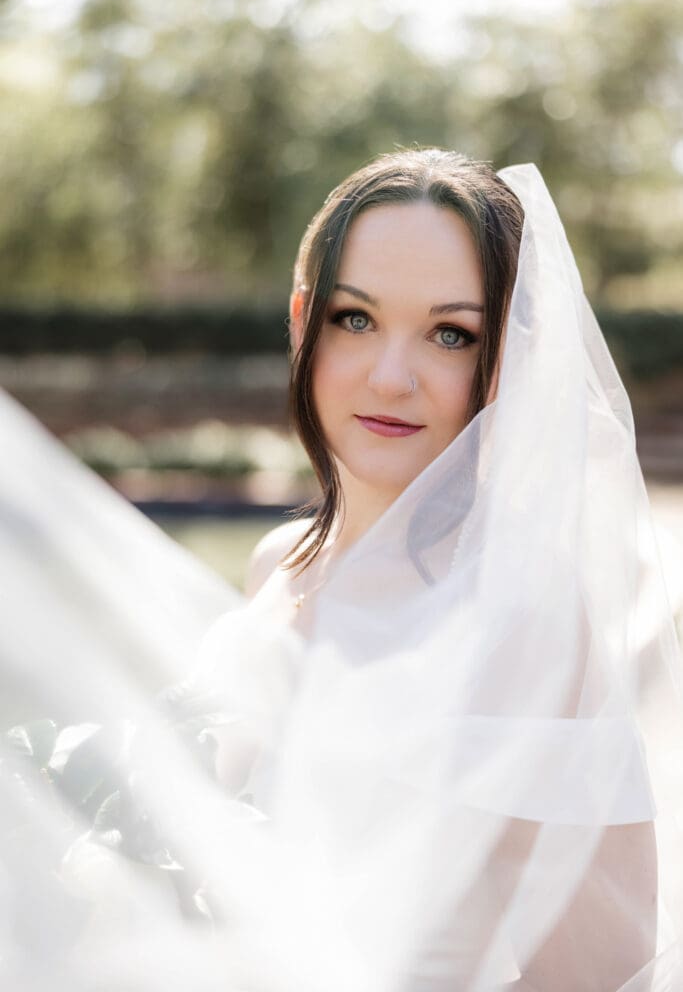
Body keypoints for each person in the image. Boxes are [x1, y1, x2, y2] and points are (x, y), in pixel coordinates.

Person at [1, 150, 682, 992]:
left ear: (505, 362)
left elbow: (602, 980)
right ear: (302, 322)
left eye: (450, 334)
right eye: (354, 319)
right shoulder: (275, 566)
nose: (389, 376)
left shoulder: (523, 619)